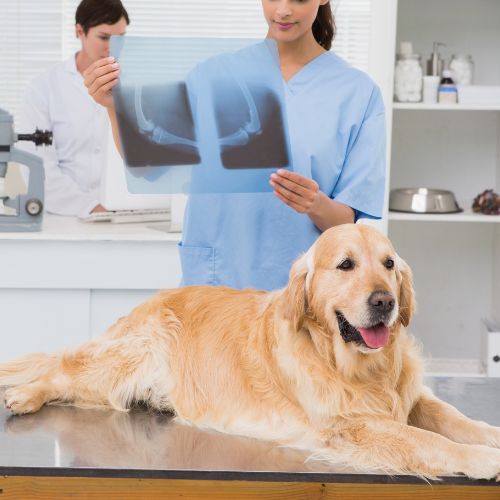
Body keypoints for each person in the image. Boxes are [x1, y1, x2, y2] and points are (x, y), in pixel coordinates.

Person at [84, 0, 386, 290]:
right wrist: (114, 107)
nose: (283, 10)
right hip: (217, 279)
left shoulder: (357, 93)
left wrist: (316, 204)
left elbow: (347, 221)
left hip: (301, 286)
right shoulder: (214, 73)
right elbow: (149, 166)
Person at [17, 0, 129, 218]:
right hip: (63, 218)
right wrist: (91, 207)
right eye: (104, 37)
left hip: (124, 217)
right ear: (80, 31)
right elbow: (37, 167)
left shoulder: (135, 87)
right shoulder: (43, 88)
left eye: (120, 39)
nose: (113, 47)